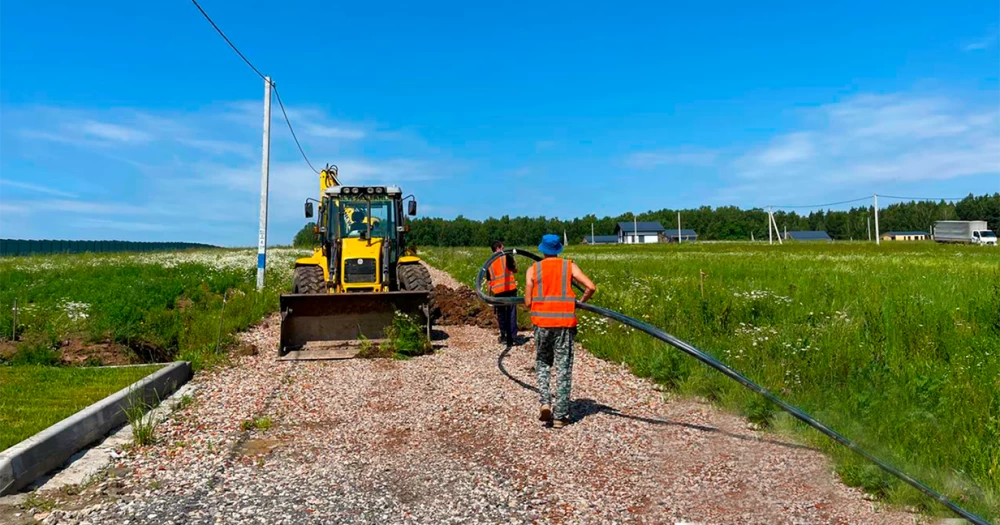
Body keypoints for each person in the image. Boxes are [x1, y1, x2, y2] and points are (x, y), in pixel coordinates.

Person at [524, 234, 596, 429]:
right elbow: (590, 287)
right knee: (563, 368)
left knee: (543, 363)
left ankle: (545, 402)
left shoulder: (533, 269)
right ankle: (561, 415)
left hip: (541, 325)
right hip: (564, 325)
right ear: (559, 250)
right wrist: (580, 302)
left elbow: (528, 302)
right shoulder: (569, 266)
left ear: (542, 249)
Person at [488, 240, 518, 347]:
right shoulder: (506, 257)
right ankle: (513, 337)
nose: (504, 249)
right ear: (499, 247)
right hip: (510, 289)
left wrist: (489, 296)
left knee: (501, 314)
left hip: (498, 292)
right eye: (503, 247)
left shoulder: (489, 261)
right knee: (511, 313)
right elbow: (515, 269)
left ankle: (504, 335)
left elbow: (489, 281)